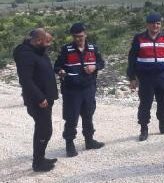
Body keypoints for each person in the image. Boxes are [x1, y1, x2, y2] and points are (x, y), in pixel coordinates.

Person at [54, 22, 105, 157]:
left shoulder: (93, 48)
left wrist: (94, 67)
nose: (78, 39)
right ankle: (69, 144)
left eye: (81, 36)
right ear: (72, 36)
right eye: (76, 36)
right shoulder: (66, 49)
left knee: (88, 115)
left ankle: (89, 141)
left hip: (89, 88)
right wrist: (61, 71)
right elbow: (57, 67)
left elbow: (101, 63)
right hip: (71, 90)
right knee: (71, 118)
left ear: (85, 34)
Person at [13, 28, 59, 172]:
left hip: (46, 98)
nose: (49, 45)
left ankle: (40, 158)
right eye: (47, 42)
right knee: (44, 130)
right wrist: (40, 98)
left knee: (43, 129)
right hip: (38, 100)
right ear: (38, 41)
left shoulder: (37, 51)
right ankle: (38, 163)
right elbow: (26, 81)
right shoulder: (26, 55)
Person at [127, 13, 164, 141]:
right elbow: (132, 59)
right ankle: (143, 128)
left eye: (158, 23)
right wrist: (131, 77)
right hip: (145, 78)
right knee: (145, 103)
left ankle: (163, 125)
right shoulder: (139, 38)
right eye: (153, 23)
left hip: (163, 76)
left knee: (163, 102)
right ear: (148, 24)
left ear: (161, 25)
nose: (156, 26)